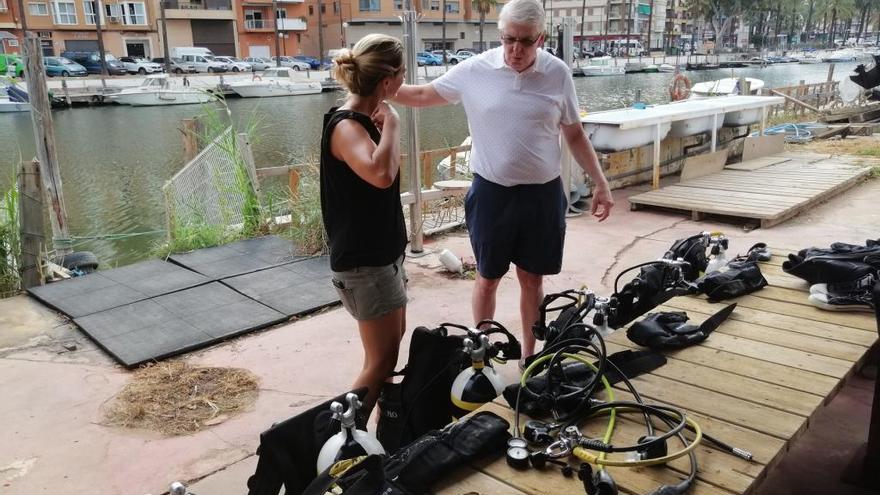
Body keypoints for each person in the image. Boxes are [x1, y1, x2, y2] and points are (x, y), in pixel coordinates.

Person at [393, 0, 613, 362]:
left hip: (542, 195)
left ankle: (529, 356)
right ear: (500, 35)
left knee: (532, 279)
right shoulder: (475, 71)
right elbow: (420, 95)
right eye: (509, 39)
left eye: (526, 42)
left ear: (540, 39)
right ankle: (481, 355)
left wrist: (601, 183)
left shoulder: (558, 74)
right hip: (491, 193)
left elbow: (574, 134)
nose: (515, 50)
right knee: (487, 277)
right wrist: (376, 86)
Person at [320, 34, 408, 414]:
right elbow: (380, 175)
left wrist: (386, 124)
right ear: (387, 82)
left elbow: (385, 170)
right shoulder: (347, 126)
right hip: (364, 264)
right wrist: (393, 125)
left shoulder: (369, 119)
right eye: (403, 73)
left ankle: (382, 430)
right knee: (379, 361)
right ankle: (342, 442)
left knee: (391, 347)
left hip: (381, 257)